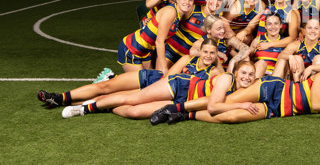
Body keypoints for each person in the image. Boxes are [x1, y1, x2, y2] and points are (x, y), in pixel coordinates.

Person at [60, 40, 223, 119]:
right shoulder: (188, 59)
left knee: (134, 111)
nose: (208, 56)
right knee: (128, 97)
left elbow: (220, 88)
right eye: (205, 52)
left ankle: (106, 106)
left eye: (212, 53)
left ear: (216, 55)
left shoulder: (215, 72)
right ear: (200, 52)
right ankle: (80, 107)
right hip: (165, 86)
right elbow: (169, 77)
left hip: (179, 98)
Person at [178, 67, 320, 124]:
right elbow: (316, 104)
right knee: (224, 102)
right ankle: (176, 106)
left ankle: (186, 115)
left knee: (232, 116)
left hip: (276, 109)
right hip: (273, 89)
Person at [117, 0, 195, 73]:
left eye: (190, 0)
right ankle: (109, 77)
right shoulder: (170, 12)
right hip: (132, 47)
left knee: (150, 81)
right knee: (140, 84)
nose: (187, 2)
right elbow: (159, 41)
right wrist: (164, 68)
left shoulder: (179, 14)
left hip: (145, 51)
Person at [164, 0, 225, 66]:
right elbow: (171, 12)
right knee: (161, 74)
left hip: (189, 57)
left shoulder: (219, 19)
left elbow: (229, 34)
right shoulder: (193, 9)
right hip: (170, 49)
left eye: (219, 0)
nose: (215, 2)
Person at [250, 13, 287, 78]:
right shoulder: (257, 41)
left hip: (276, 75)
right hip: (259, 75)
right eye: (269, 24)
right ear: (265, 26)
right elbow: (247, 56)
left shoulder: (285, 42)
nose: (273, 27)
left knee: (283, 61)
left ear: (281, 25)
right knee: (261, 63)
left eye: (276, 23)